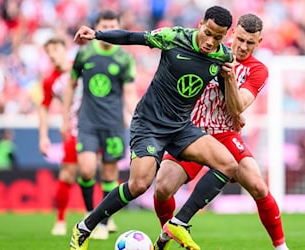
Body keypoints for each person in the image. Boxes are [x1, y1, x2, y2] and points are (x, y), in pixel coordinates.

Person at [70, 6, 237, 250]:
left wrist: (234, 102)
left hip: (181, 127)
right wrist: (97, 35)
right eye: (208, 33)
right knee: (139, 184)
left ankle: (179, 223)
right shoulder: (174, 37)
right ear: (201, 23)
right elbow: (131, 37)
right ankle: (84, 228)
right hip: (149, 123)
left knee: (228, 164)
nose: (210, 42)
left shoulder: (224, 56)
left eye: (218, 37)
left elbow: (224, 94)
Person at [153, 14, 289, 250]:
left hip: (224, 134)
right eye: (241, 39)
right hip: (192, 130)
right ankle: (167, 235)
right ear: (233, 32)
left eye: (251, 43)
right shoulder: (210, 48)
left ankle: (280, 247)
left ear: (260, 42)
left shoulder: (258, 70)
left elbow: (238, 105)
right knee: (163, 187)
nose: (243, 47)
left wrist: (230, 84)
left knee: (258, 186)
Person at [62, 10, 138, 240]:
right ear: (97, 28)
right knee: (85, 169)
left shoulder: (124, 58)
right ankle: (89, 214)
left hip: (113, 123)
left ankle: (103, 223)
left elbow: (129, 92)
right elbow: (71, 85)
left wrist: (134, 117)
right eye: (105, 26)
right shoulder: (84, 53)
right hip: (87, 121)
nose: (109, 30)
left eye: (113, 26)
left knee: (109, 173)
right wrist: (65, 117)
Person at [38, 37, 80, 236]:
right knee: (68, 173)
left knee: (106, 170)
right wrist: (43, 136)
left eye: (55, 49)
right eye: (49, 51)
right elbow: (44, 108)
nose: (52, 54)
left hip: (97, 125)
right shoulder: (50, 80)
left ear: (65, 49)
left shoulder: (80, 66)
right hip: (73, 128)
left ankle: (106, 221)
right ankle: (61, 219)